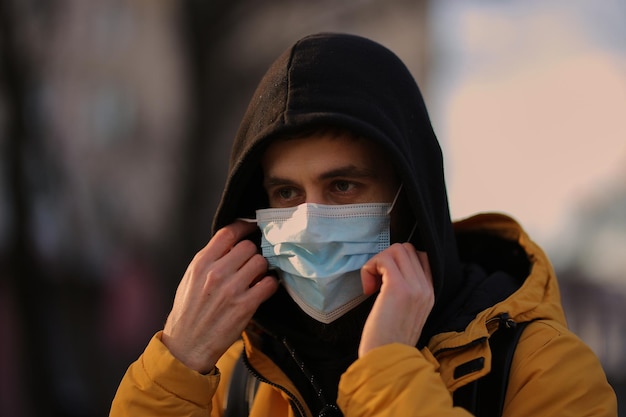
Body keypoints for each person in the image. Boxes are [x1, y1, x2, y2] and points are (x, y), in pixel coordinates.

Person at [110, 33, 617, 417]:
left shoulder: (542, 369)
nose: (308, 220)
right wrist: (176, 367)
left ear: (411, 199)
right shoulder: (235, 373)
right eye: (285, 193)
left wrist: (388, 372)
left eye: (343, 186)